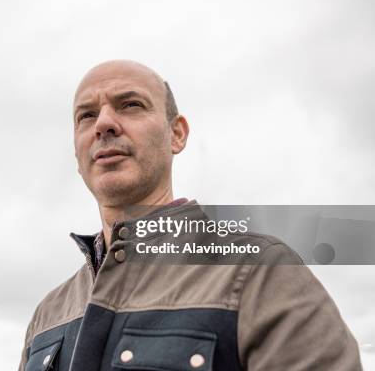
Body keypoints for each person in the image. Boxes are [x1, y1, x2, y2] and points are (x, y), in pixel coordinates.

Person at [18, 60, 362, 370]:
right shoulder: (48, 315)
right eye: (86, 116)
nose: (104, 123)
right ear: (77, 155)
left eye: (131, 105)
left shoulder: (258, 272)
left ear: (177, 134)